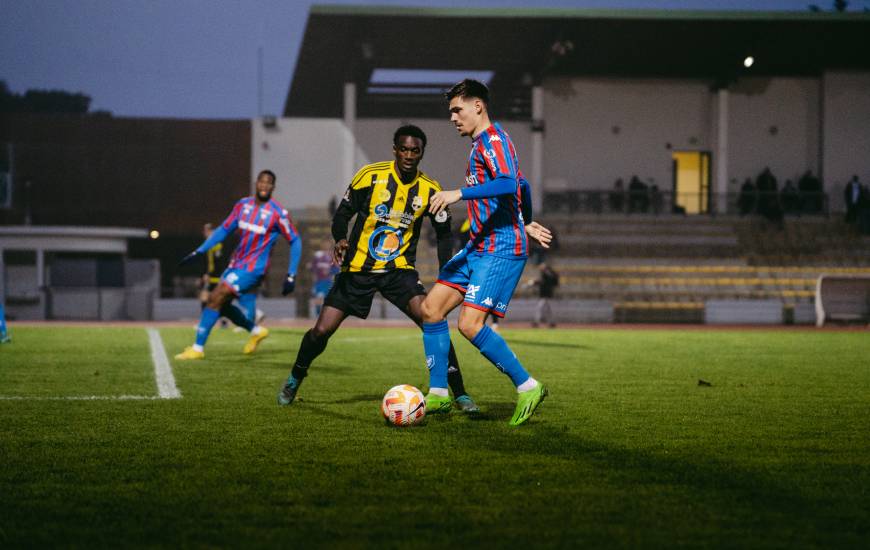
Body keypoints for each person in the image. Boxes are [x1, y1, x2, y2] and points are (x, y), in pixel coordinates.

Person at [277, 125, 479, 412]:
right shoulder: (370, 176)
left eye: (415, 150)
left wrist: (446, 272)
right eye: (404, 149)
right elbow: (342, 215)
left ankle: (459, 393)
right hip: (357, 269)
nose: (409, 155)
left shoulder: (430, 189)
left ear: (422, 153)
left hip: (399, 271)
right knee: (321, 331)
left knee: (431, 320)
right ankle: (295, 377)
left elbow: (444, 233)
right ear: (395, 149)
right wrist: (341, 239)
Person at [421, 79, 553, 426]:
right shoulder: (481, 145)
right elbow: (520, 186)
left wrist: (458, 194)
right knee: (431, 309)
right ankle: (437, 396)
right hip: (479, 246)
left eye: (457, 109)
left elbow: (510, 183)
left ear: (477, 106)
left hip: (500, 248)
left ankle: (528, 386)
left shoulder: (493, 140)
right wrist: (524, 219)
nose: (452, 118)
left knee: (468, 324)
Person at [175, 170, 301, 360]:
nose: (265, 186)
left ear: (273, 187)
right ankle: (256, 330)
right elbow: (223, 230)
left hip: (254, 269)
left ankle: (197, 348)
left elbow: (296, 240)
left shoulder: (278, 213)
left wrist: (291, 274)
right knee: (220, 305)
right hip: (236, 265)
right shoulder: (243, 205)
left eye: (269, 183)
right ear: (256, 183)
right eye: (262, 182)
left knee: (216, 296)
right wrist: (199, 251)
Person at [308, 240, 339, 317]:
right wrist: (311, 268)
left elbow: (337, 269)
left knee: (325, 298)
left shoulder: (332, 256)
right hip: (319, 281)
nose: (326, 246)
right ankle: (318, 314)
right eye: (324, 245)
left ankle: (325, 316)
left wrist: (330, 271)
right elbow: (312, 267)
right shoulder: (318, 256)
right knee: (318, 297)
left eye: (327, 245)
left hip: (328, 281)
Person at [529, 262, 559, 328]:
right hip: (545, 295)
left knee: (543, 308)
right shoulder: (547, 274)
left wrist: (535, 282)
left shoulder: (549, 274)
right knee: (545, 309)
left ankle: (539, 322)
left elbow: (546, 282)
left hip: (547, 294)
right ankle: (550, 322)